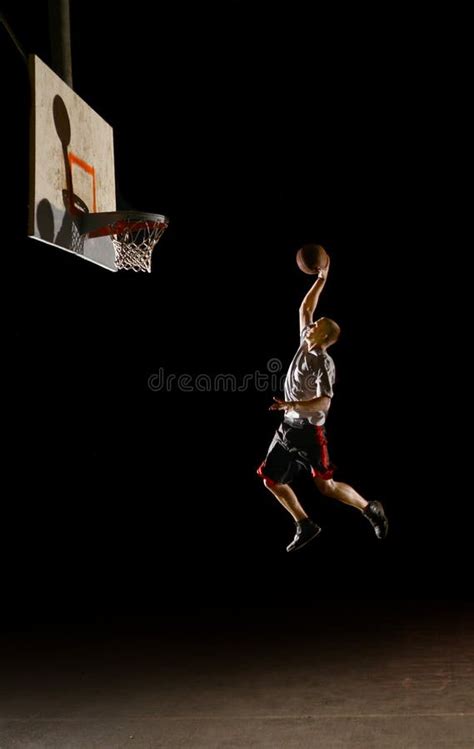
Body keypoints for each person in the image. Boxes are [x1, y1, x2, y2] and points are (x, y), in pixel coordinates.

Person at [257, 254, 388, 552]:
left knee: (326, 487)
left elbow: (323, 405)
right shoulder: (305, 340)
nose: (311, 323)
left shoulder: (323, 363)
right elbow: (305, 307)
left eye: (318, 324)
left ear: (325, 335)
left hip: (309, 433)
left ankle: (370, 508)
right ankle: (304, 524)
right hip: (287, 427)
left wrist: (290, 404)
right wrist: (321, 279)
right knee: (270, 479)